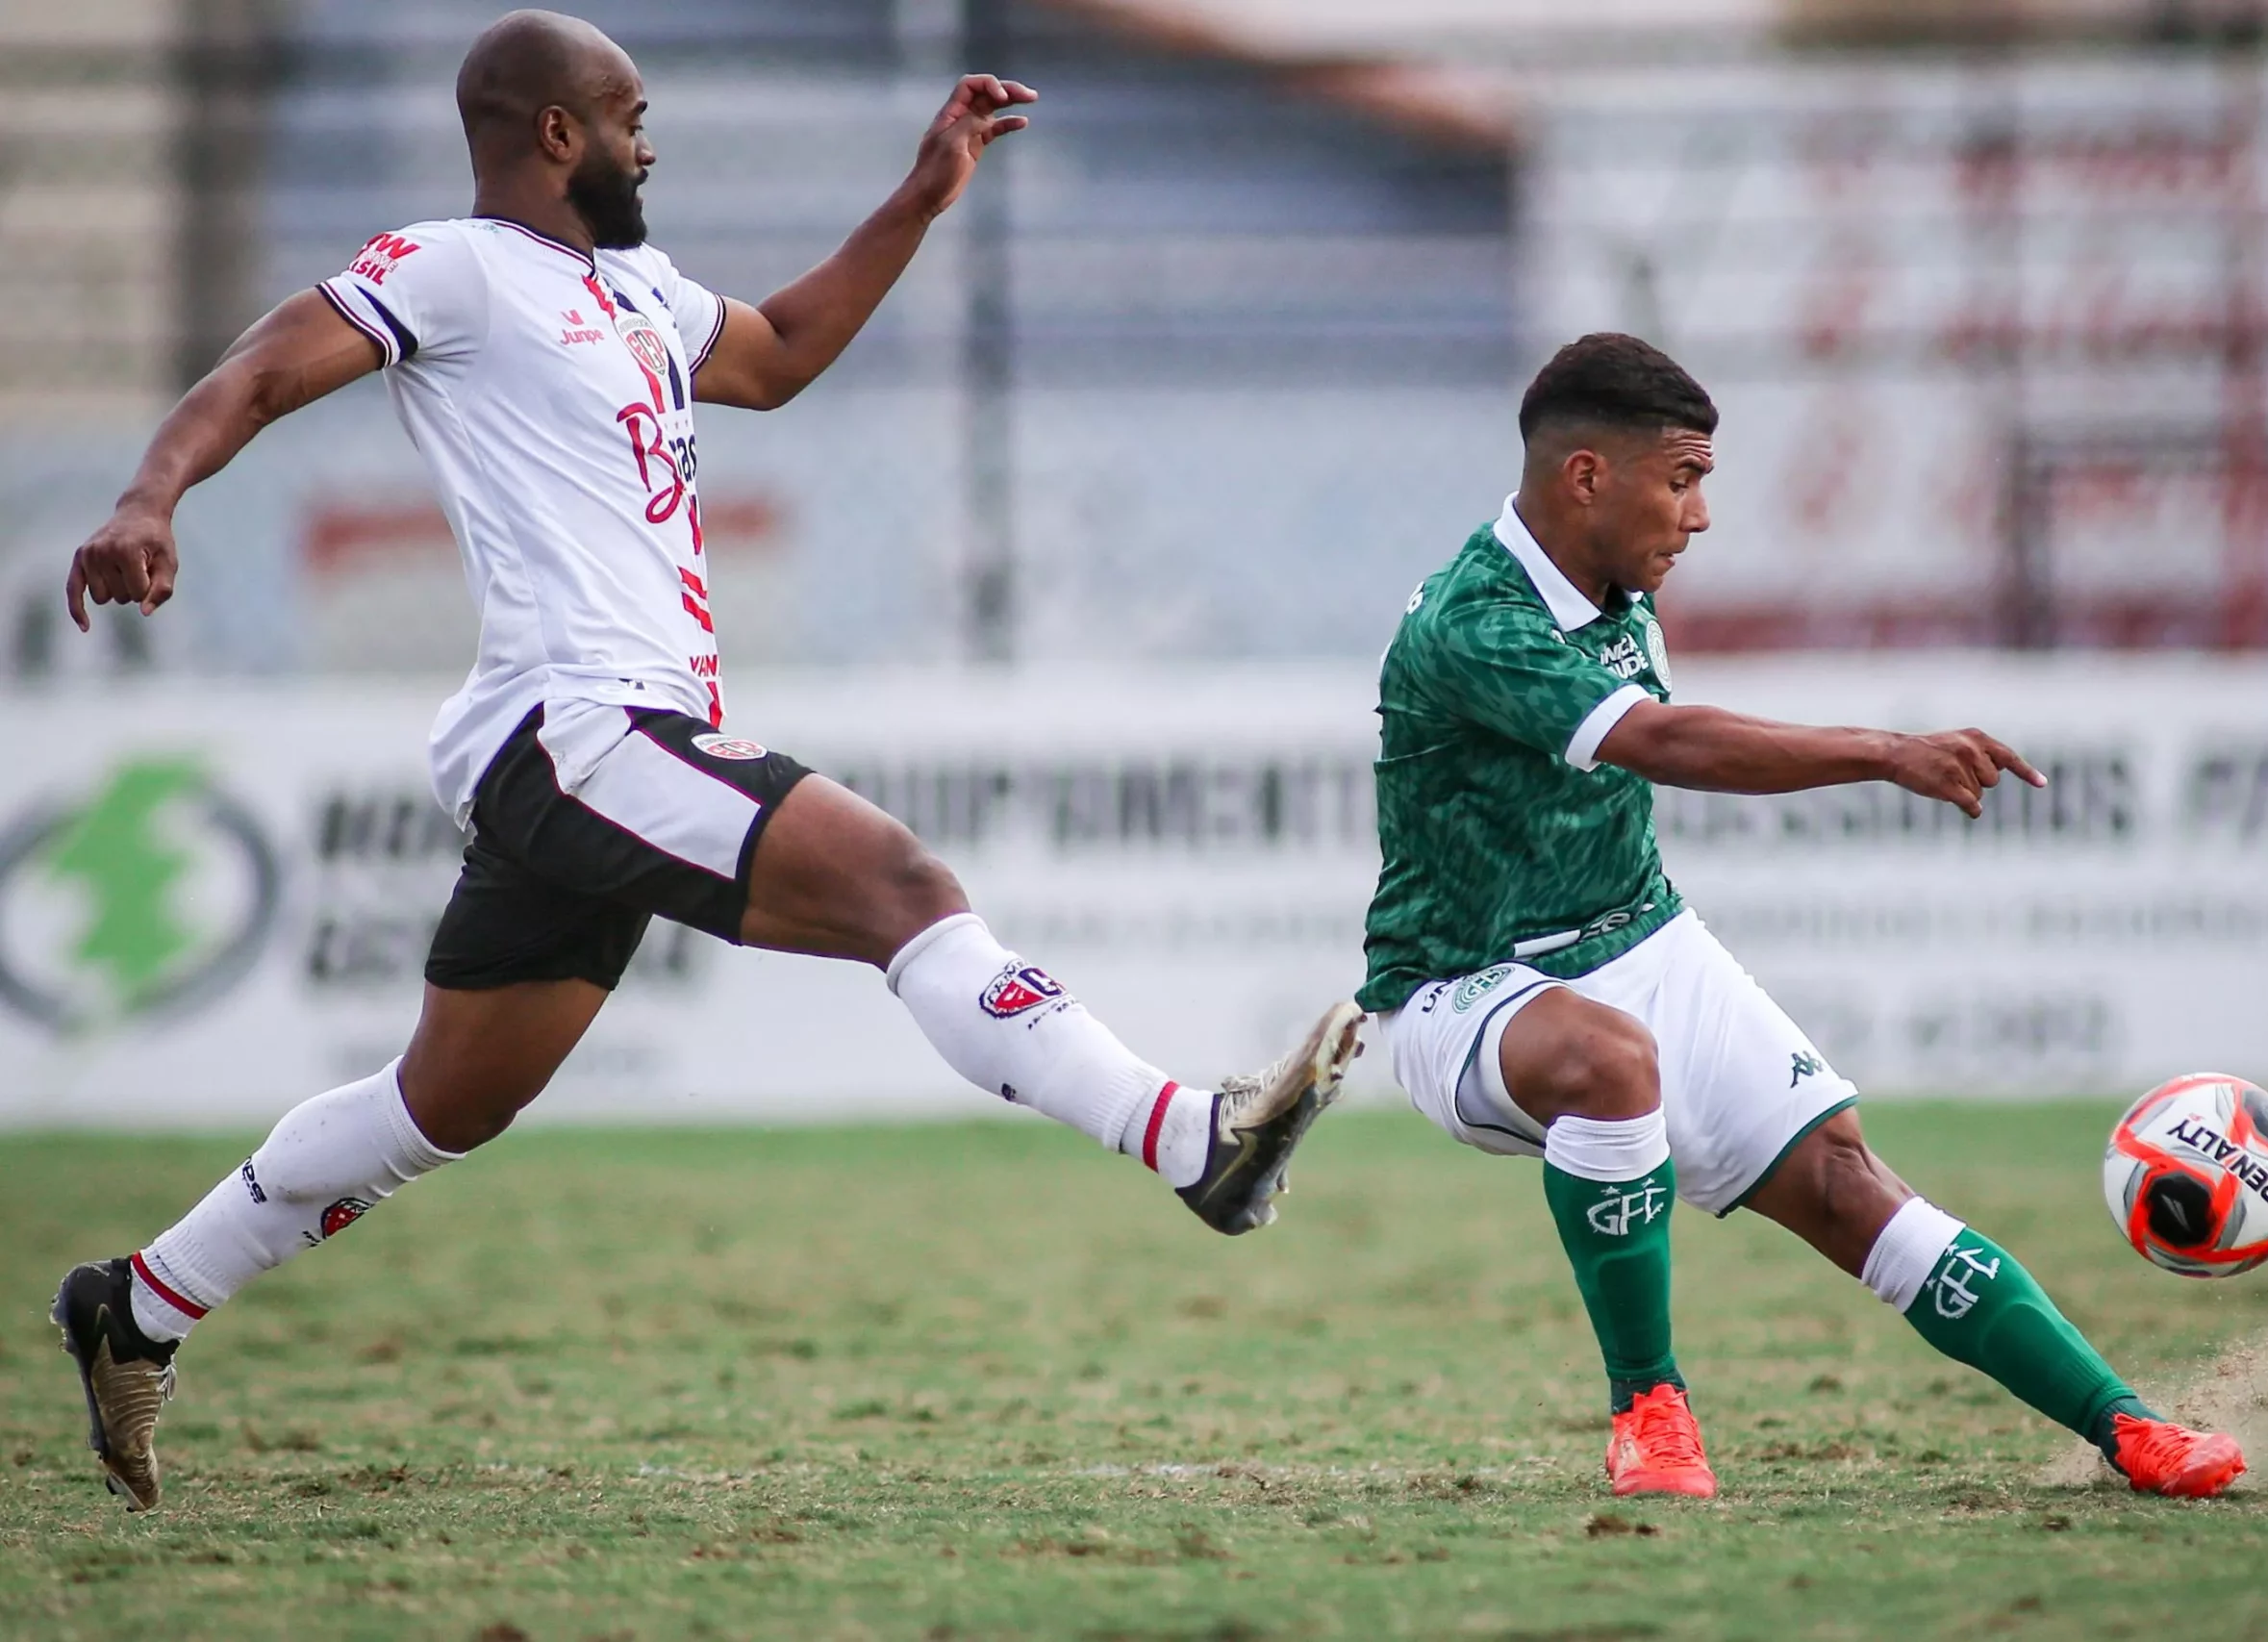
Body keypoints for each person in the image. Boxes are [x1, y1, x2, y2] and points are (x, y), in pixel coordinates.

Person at [52, 10, 1362, 1514]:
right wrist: (152, 494)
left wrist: (922, 195)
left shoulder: (641, 292)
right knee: (900, 883)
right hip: (578, 723)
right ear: (556, 132)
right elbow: (267, 369)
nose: (648, 138)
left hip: (607, 736)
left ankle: (139, 1300)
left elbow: (786, 352)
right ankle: (1193, 1137)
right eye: (630, 113)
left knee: (442, 1104)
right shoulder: (456, 270)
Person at [1360, 331, 2246, 1502]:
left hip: (1639, 933)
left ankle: (2126, 1427)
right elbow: (1665, 743)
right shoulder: (1477, 621)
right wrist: (1886, 749)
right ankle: (1649, 1412)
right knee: (1609, 1059)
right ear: (1587, 476)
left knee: (1844, 1179)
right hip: (1462, 983)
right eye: (1682, 479)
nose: (1699, 514)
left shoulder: (1612, 581)